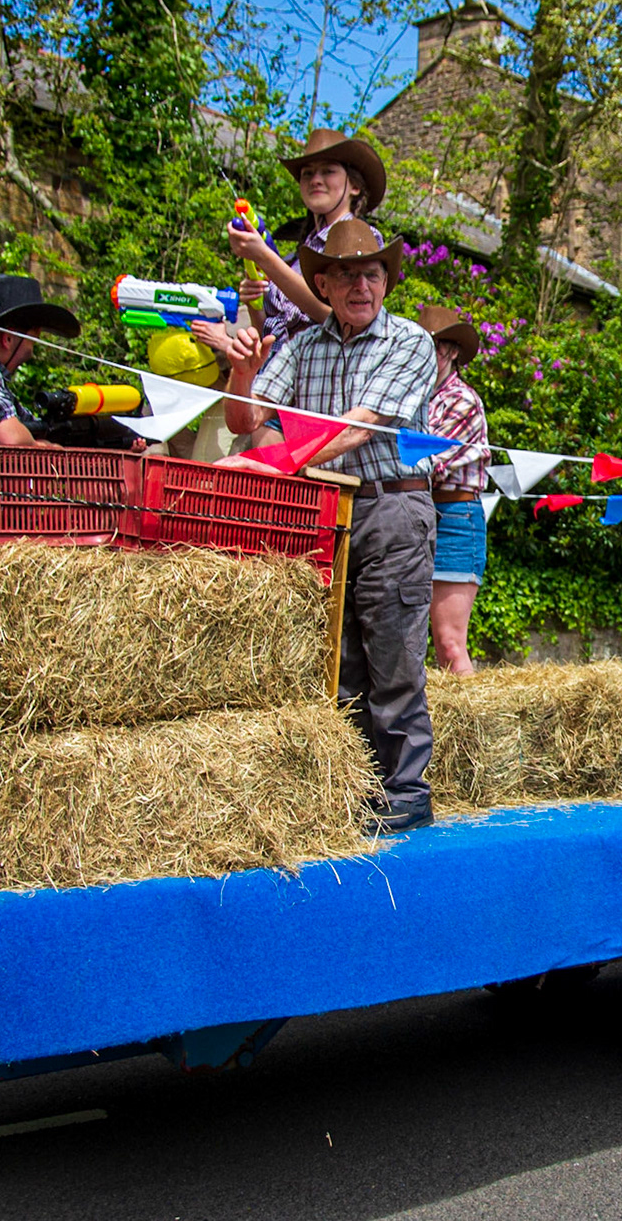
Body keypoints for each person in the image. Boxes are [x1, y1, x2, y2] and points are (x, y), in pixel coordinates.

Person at [216, 219, 440, 832]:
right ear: (324, 284)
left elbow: (361, 426)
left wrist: (273, 463)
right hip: (329, 512)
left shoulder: (410, 341)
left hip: (393, 507)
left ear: (386, 282)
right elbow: (244, 419)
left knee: (392, 651)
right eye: (346, 275)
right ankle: (356, 786)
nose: (360, 286)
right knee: (339, 659)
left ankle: (405, 790)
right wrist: (242, 369)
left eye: (371, 274)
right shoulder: (301, 346)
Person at [217, 128, 387, 357]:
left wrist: (265, 258)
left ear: (354, 187)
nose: (315, 180)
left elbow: (342, 318)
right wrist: (254, 302)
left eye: (328, 171)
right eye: (307, 174)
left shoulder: (364, 240)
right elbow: (270, 335)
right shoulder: (297, 258)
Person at [417, 305, 490, 676]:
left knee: (449, 642)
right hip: (419, 514)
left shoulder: (462, 400)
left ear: (451, 352)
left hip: (455, 519)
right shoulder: (417, 398)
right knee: (419, 639)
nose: (425, 356)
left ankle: (474, 712)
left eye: (433, 348)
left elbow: (427, 462)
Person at [0, 274, 82, 446]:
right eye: (33, 336)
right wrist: (43, 447)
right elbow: (10, 437)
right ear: (8, 338)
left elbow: (25, 422)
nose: (34, 345)